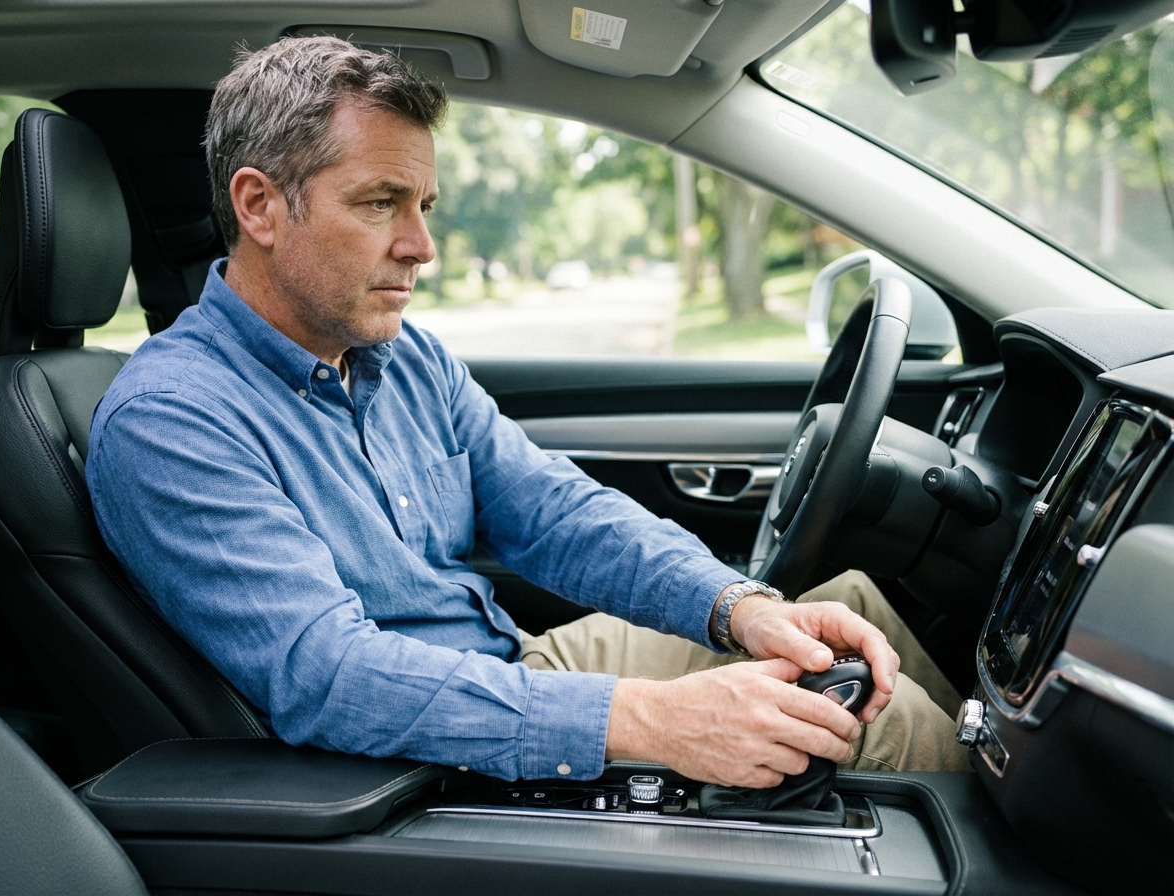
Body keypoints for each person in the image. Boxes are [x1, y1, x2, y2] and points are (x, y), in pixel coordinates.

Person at [86, 36, 968, 787]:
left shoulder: (402, 358)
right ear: (259, 205)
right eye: (378, 203)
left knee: (838, 613)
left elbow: (554, 511)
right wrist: (655, 721)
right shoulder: (172, 420)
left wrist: (738, 606)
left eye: (423, 206)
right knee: (856, 717)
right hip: (419, 763)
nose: (421, 247)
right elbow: (328, 677)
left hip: (514, 670)